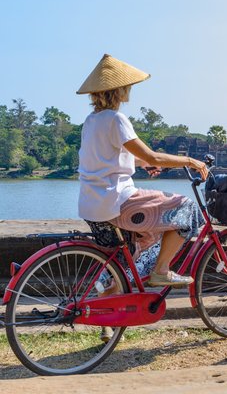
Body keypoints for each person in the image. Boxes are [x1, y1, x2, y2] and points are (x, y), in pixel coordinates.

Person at [77, 54, 208, 292]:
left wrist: (141, 163)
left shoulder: (91, 121)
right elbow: (153, 156)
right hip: (116, 200)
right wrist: (190, 161)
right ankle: (161, 271)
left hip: (90, 204)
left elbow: (106, 158)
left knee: (134, 253)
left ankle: (110, 321)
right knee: (186, 207)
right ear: (121, 90)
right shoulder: (116, 119)